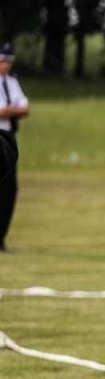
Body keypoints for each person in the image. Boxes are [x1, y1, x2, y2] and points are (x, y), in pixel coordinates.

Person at [0, 42, 30, 252]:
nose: (5, 65)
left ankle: (0, 238)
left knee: (9, 190)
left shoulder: (12, 83)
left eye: (8, 61)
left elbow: (25, 109)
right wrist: (11, 110)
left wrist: (8, 111)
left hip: (8, 138)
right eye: (2, 61)